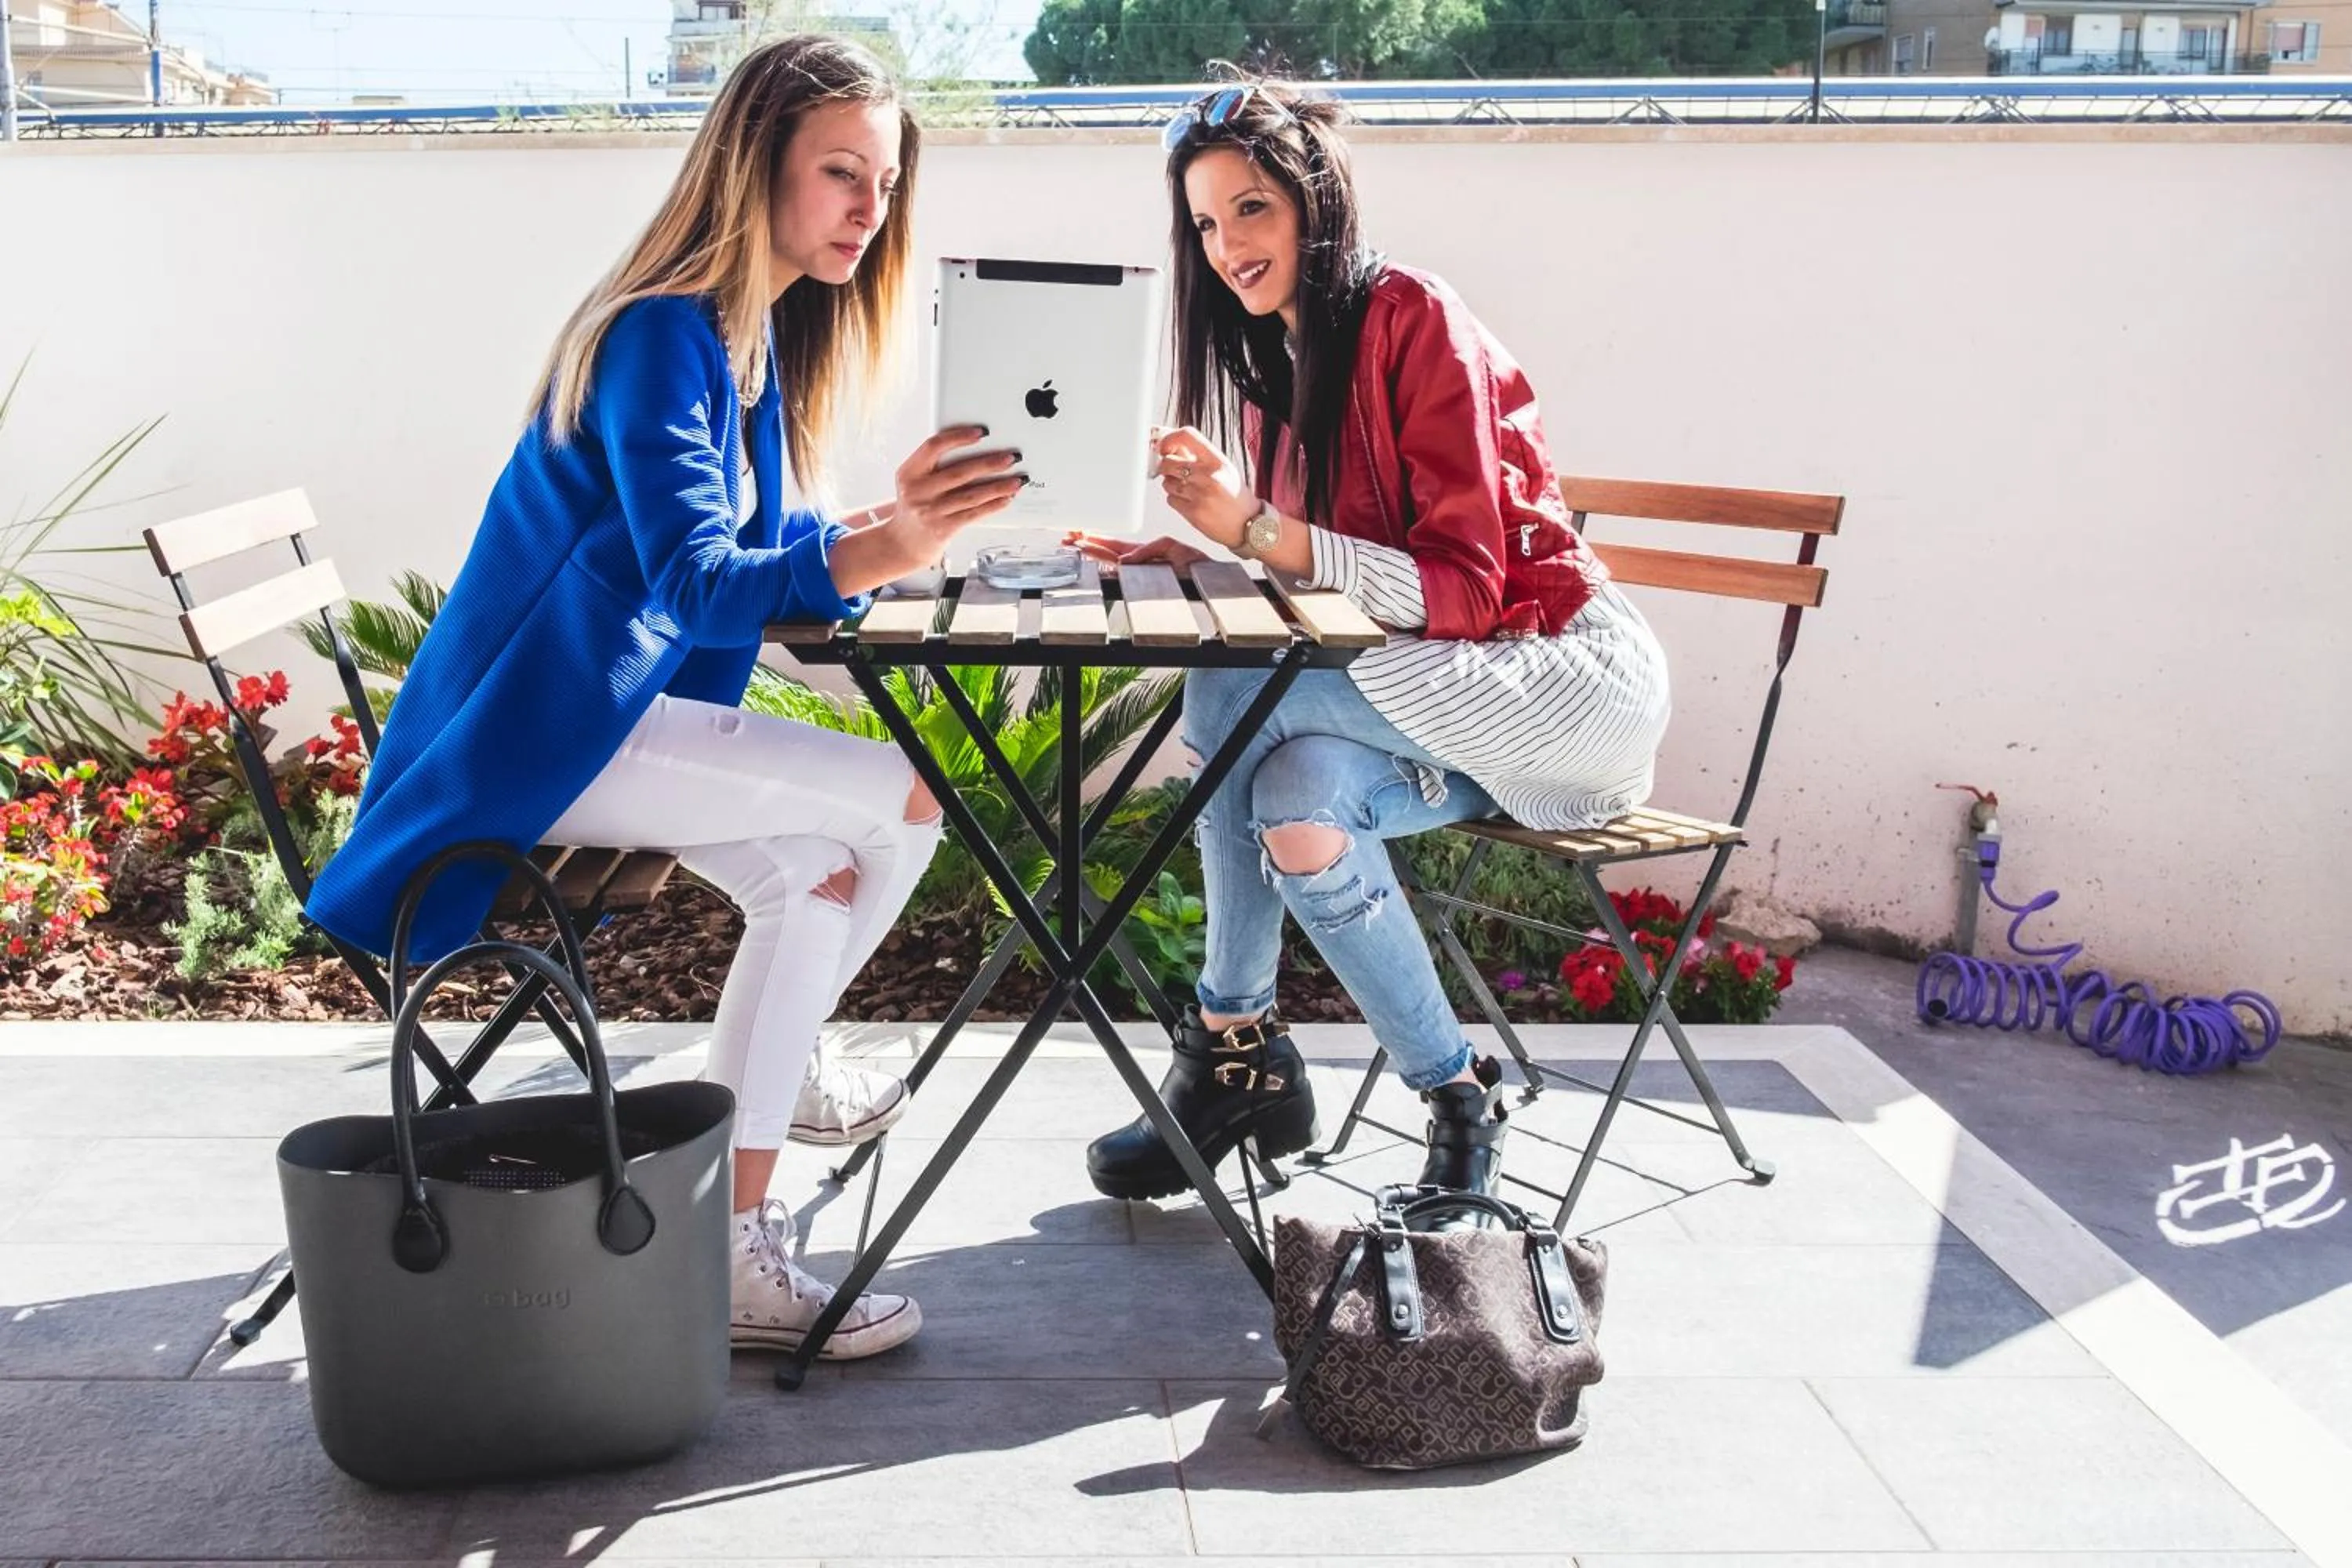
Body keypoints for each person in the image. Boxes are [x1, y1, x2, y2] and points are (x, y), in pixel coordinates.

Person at [306, 35, 1025, 1356]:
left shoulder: (743, 343)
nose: (871, 208)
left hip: (594, 721)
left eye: (886, 178)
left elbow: (761, 540)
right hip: (531, 742)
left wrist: (888, 528)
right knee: (908, 800)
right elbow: (697, 582)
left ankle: (726, 1226)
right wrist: (892, 544)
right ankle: (779, 1096)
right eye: (840, 173)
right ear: (756, 168)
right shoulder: (659, 336)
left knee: (816, 868)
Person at [1071, 82, 1671, 1221]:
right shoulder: (1269, 369)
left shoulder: (1412, 315)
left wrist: (1255, 531)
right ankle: (1458, 1092)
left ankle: (1229, 1050)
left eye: (1249, 210)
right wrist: (1203, 552)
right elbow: (1323, 580)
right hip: (1425, 700)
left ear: (1313, 202)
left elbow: (1465, 587)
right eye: (1204, 225)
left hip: (1553, 677)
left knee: (1239, 685)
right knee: (1294, 799)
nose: (1229, 246)